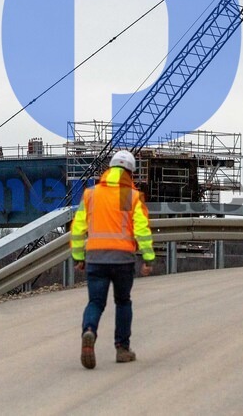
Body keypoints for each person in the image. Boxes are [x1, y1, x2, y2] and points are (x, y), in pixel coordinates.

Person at [70, 150, 155, 369]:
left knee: (95, 302)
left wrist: (78, 256)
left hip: (96, 257)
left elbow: (78, 228)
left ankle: (89, 331)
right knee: (123, 301)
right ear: (130, 173)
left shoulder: (91, 194)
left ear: (109, 169)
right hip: (122, 259)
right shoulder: (128, 196)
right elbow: (141, 229)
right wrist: (148, 258)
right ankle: (122, 349)